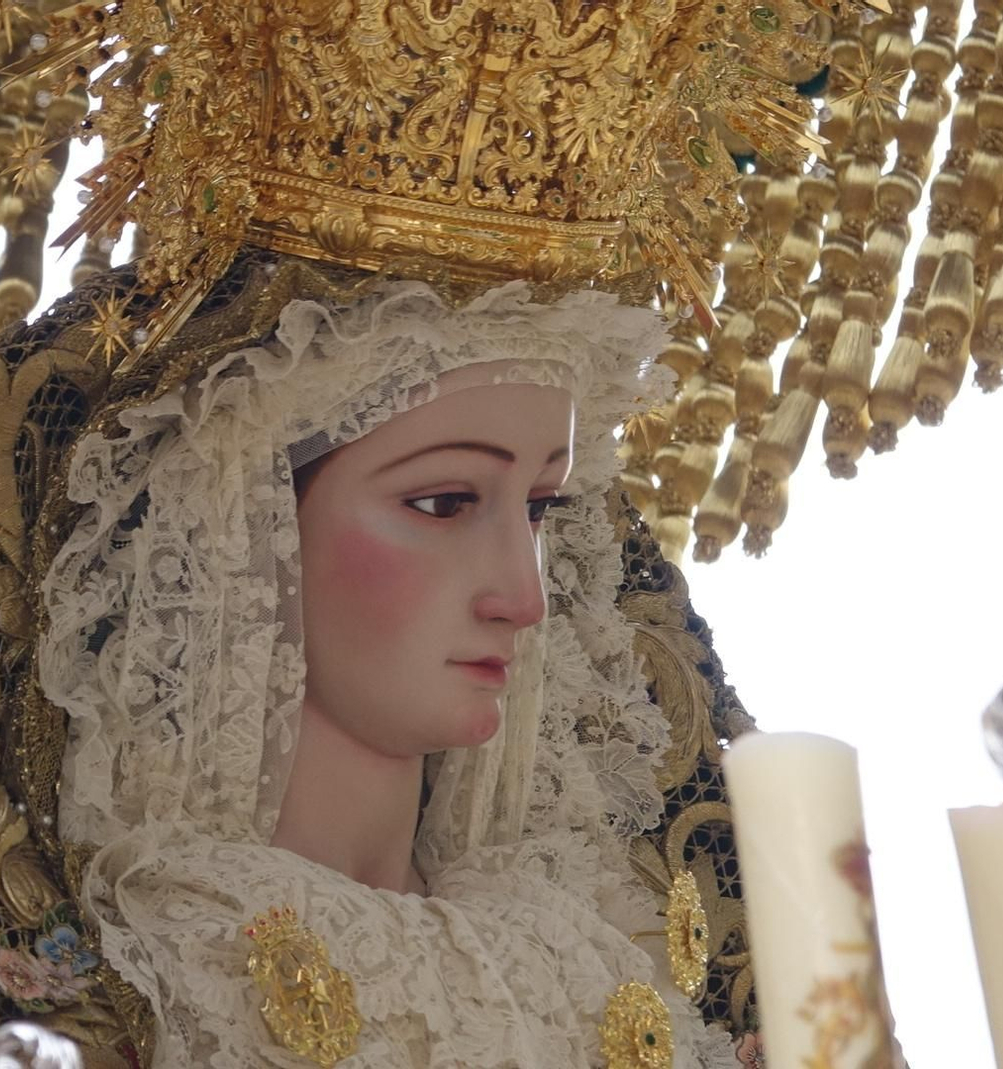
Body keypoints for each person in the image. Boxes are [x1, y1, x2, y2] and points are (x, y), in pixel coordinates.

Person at [37, 267, 741, 1067]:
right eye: (443, 503)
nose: (523, 595)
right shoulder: (157, 962)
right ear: (248, 527)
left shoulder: (582, 954)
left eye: (539, 508)